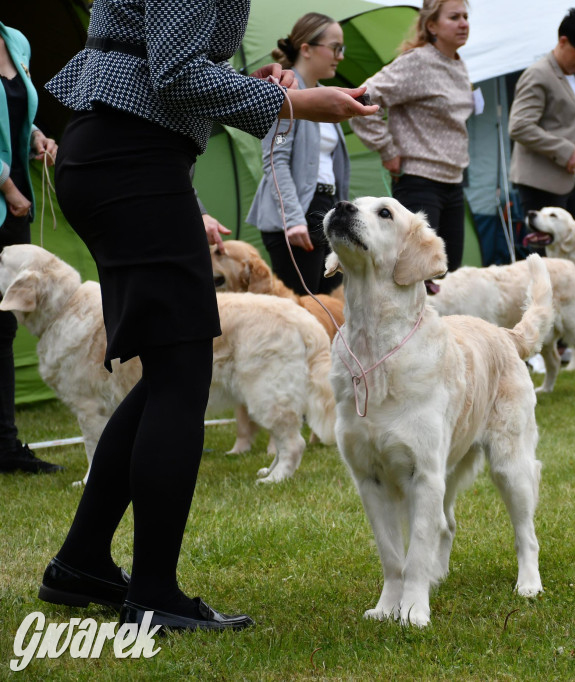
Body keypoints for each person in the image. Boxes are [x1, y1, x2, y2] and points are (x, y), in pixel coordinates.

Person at [38, 0, 376, 632]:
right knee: (183, 374)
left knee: (171, 373)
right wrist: (294, 104)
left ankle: (81, 562)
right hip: (129, 157)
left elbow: (171, 64)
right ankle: (155, 595)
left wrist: (255, 88)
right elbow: (174, 73)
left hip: (129, 156)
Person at [349, 0, 473, 273]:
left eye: (465, 16)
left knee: (446, 273)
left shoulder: (458, 64)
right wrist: (387, 149)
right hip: (420, 182)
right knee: (415, 274)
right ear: (431, 25)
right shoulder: (417, 62)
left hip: (453, 182)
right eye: (454, 17)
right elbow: (363, 100)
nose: (464, 23)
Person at [247, 13, 350, 295]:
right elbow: (274, 158)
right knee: (303, 309)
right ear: (306, 48)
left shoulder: (326, 97)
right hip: (296, 215)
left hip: (325, 209)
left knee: (330, 305)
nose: (340, 56)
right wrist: (292, 219)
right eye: (335, 47)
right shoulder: (284, 94)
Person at [0, 22, 63, 475]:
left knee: (3, 328)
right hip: (9, 196)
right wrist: (5, 185)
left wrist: (35, 136)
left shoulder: (17, 39)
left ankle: (5, 447)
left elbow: (12, 112)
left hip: (16, 210)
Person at [508, 6, 575, 226]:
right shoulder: (538, 74)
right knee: (548, 259)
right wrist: (564, 151)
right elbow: (519, 126)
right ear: (563, 41)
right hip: (543, 184)